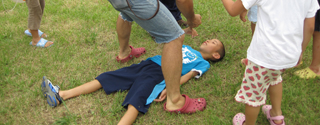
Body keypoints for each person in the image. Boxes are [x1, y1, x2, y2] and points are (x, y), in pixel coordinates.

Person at [217, 0, 319, 125]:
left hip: (262, 56)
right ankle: (277, 116)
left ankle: (248, 122)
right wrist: (300, 50)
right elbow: (309, 24)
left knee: (253, 93)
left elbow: (233, 10)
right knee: (275, 78)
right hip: (288, 54)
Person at [41, 39, 225, 125]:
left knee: (136, 100)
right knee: (107, 77)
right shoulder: (185, 46)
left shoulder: (202, 63)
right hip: (148, 64)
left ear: (215, 55)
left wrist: (171, 88)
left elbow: (186, 75)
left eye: (213, 42)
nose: (209, 40)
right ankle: (61, 94)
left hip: (160, 75)